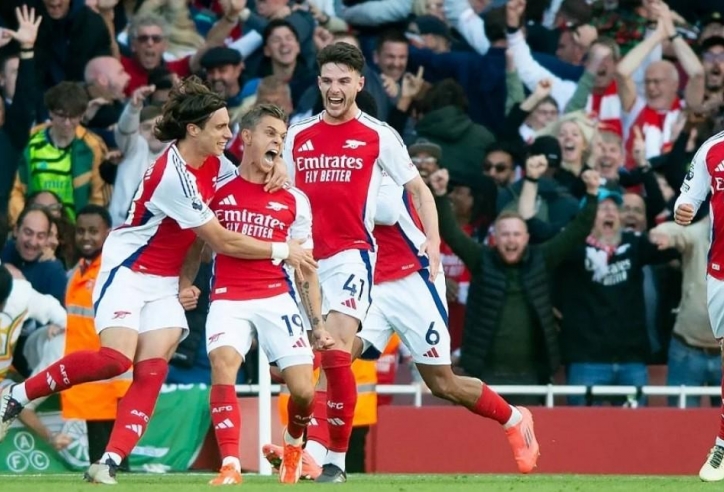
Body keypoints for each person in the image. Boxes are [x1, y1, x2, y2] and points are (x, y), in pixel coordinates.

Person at [0, 76, 316, 485]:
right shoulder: (174, 174)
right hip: (129, 271)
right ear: (194, 130)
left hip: (165, 282)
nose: (229, 133)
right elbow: (218, 238)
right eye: (221, 126)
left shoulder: (214, 163)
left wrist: (278, 164)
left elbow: (245, 172)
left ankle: (108, 462)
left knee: (151, 371)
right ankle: (18, 395)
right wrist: (281, 250)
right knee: (116, 359)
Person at [264, 172, 541, 477]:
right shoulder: (318, 154)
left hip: (411, 278)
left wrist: (328, 192)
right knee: (335, 358)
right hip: (368, 279)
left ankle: (514, 419)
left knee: (442, 383)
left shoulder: (376, 152)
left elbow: (384, 210)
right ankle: (316, 457)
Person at [282, 42, 440, 482]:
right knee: (301, 362)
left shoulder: (378, 134)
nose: (335, 89)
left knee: (333, 355)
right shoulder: (298, 135)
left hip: (352, 256)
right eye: (328, 81)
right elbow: (283, 195)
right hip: (306, 259)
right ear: (318, 83)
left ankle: (335, 459)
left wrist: (432, 239)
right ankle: (297, 446)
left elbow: (419, 190)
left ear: (359, 83)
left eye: (344, 81)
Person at [190, 104, 334, 485]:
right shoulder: (216, 186)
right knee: (223, 364)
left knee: (303, 391)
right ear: (247, 137)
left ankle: (293, 445)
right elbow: (196, 240)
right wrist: (185, 281)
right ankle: (231, 465)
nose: (278, 142)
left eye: (283, 137)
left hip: (276, 297)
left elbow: (304, 265)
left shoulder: (294, 199)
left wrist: (316, 323)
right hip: (228, 296)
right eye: (271, 133)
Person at [60, 205, 132, 469]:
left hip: (110, 382)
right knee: (101, 462)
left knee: (111, 463)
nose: (86, 237)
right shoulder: (79, 271)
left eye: (93, 231)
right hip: (90, 381)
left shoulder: (112, 271)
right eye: (80, 231)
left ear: (108, 233)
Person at [673, 132, 724, 482]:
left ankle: (722, 441)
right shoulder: (712, 148)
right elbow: (686, 200)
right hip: (722, 272)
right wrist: (683, 210)